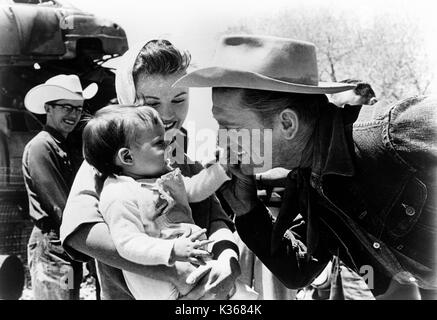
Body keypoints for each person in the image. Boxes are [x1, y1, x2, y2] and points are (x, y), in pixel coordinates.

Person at [175, 35, 437, 299]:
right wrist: (248, 209)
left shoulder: (393, 132)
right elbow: (299, 270)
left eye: (229, 126)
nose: (221, 140)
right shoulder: (308, 185)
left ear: (287, 123)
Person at [60, 39, 241, 300]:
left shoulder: (185, 162)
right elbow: (79, 231)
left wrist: (228, 259)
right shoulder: (109, 163)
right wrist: (168, 269)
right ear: (128, 98)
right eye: (152, 103)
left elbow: (217, 220)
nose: (167, 115)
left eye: (179, 99)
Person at [22, 74, 98, 300]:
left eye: (78, 109)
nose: (73, 115)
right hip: (52, 248)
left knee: (70, 296)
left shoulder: (64, 145)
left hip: (67, 251)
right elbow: (60, 207)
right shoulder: (41, 147)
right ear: (48, 108)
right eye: (67, 107)